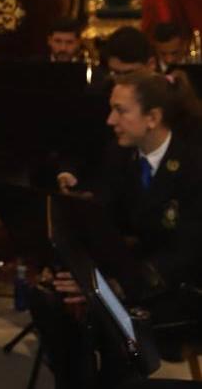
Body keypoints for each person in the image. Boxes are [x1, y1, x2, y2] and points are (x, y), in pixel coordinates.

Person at [36, 70, 202, 388]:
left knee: (102, 318)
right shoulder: (119, 154)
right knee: (52, 299)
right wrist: (78, 272)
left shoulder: (194, 162)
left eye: (120, 110)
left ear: (153, 118)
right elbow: (101, 222)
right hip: (131, 274)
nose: (110, 120)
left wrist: (114, 285)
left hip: (178, 287)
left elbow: (187, 251)